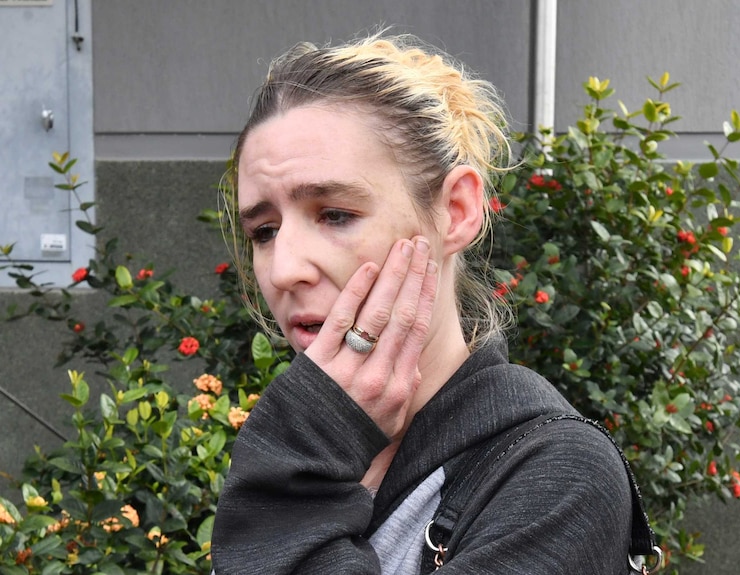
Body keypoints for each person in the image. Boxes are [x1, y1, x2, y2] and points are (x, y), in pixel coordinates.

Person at [211, 31, 645, 574]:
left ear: (457, 212)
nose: (284, 268)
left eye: (335, 214)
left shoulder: (558, 477)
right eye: (265, 231)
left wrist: (291, 485)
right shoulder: (308, 444)